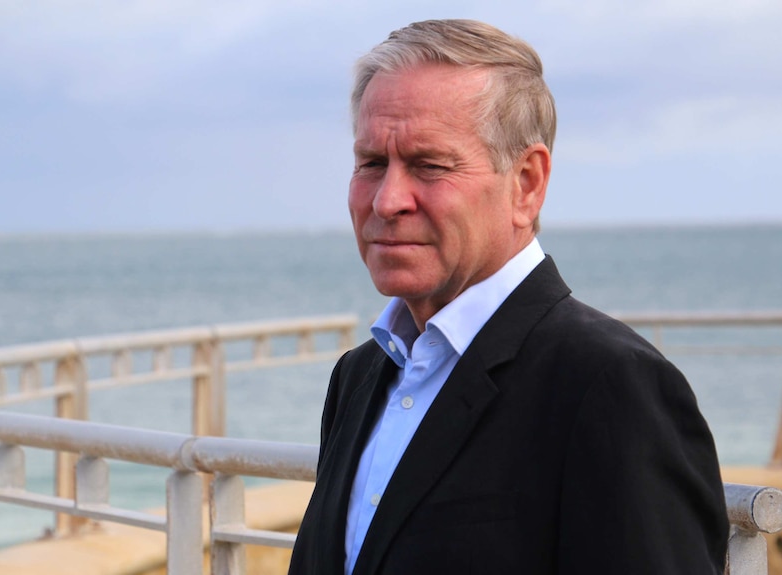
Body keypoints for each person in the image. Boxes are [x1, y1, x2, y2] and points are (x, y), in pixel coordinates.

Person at [289, 19, 729, 575]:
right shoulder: (358, 376)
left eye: (429, 165)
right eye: (372, 163)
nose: (388, 200)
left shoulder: (611, 386)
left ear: (526, 183)